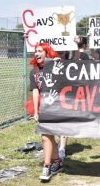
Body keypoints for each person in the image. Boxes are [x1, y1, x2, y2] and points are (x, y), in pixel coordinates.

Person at [26, 43, 63, 181]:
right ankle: (57, 162)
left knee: (45, 136)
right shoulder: (33, 72)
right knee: (48, 136)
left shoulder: (56, 66)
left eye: (40, 51)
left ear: (47, 53)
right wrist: (36, 110)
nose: (36, 53)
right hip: (42, 107)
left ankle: (47, 166)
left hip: (56, 106)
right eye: (35, 51)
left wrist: (57, 64)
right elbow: (35, 91)